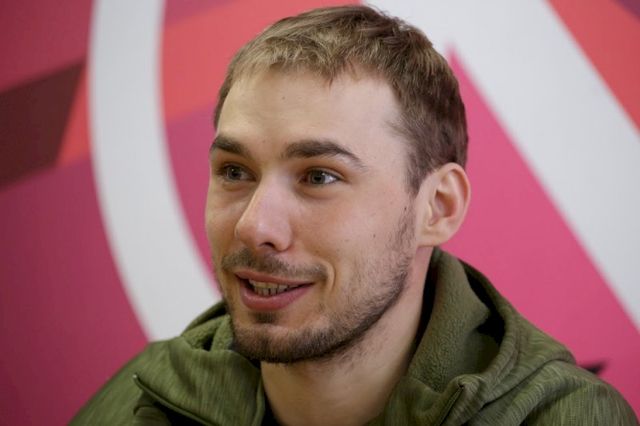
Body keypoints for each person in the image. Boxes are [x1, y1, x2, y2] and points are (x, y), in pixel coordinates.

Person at [73, 5, 637, 425]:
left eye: (319, 176)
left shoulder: (563, 417)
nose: (253, 226)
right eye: (235, 171)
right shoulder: (137, 403)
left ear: (437, 207)